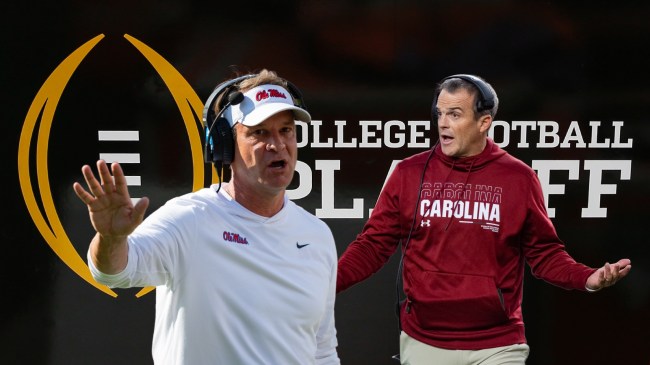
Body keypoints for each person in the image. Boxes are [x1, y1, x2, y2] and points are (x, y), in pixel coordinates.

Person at [336, 74, 631, 364]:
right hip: (425, 340)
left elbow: (545, 253)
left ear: (483, 122)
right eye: (439, 113)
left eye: (454, 114)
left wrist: (586, 278)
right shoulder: (409, 174)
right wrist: (326, 282)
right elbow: (372, 246)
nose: (442, 123)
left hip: (498, 345)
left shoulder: (518, 178)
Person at [73, 69, 340, 365]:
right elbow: (114, 273)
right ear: (225, 144)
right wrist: (111, 238)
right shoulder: (189, 219)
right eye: (259, 132)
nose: (277, 145)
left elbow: (322, 352)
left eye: (286, 130)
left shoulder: (317, 235)